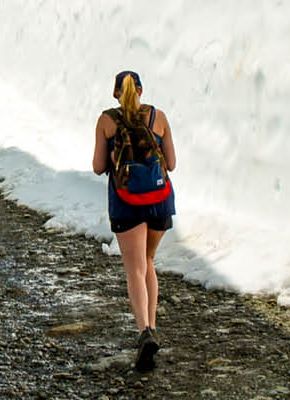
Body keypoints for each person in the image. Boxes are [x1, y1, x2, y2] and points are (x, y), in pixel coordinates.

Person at [92, 69, 177, 371]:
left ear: (116, 93)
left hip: (126, 202)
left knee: (134, 270)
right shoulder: (159, 117)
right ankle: (152, 327)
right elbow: (172, 164)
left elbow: (98, 166)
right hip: (159, 200)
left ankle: (144, 332)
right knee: (149, 261)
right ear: (141, 89)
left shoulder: (107, 121)